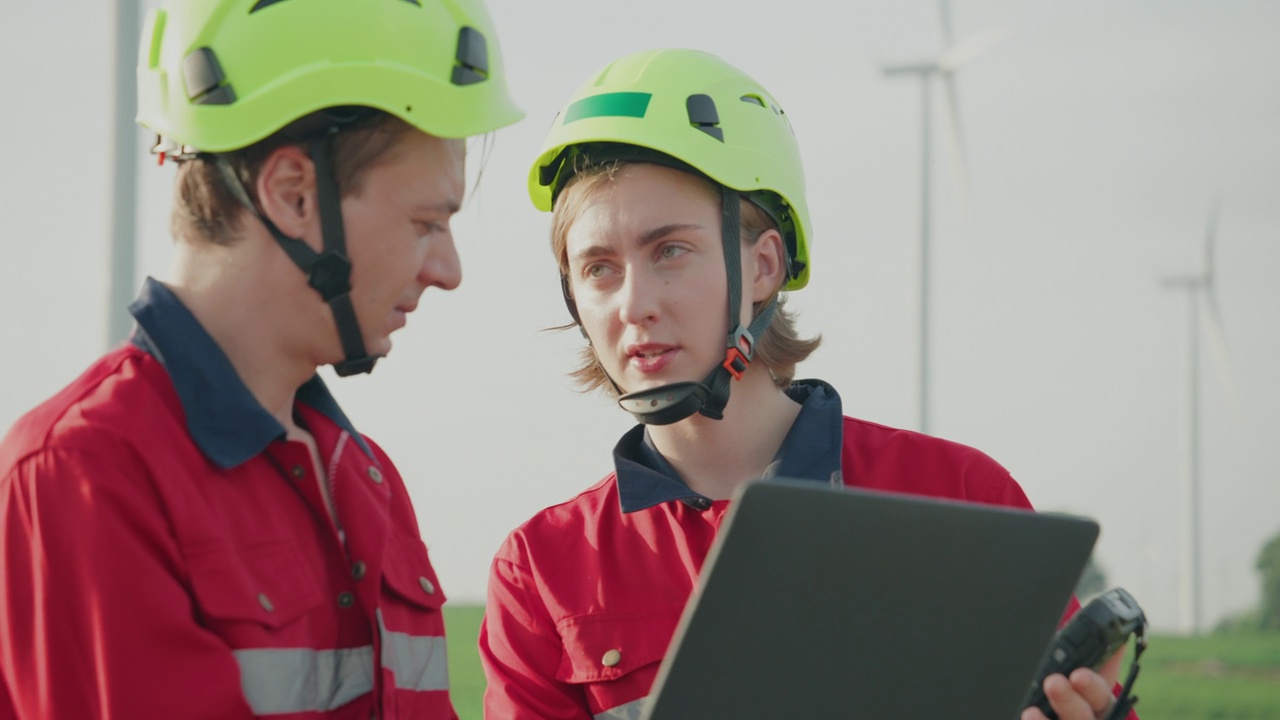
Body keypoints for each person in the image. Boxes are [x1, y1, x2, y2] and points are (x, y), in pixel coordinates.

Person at [478, 48, 1132, 720]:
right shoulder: (542, 573)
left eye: (670, 251)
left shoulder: (964, 501)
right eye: (598, 268)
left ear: (763, 267)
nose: (633, 303)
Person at [0, 1, 521, 718]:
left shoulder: (368, 481)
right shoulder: (85, 474)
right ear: (293, 194)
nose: (449, 269)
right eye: (427, 223)